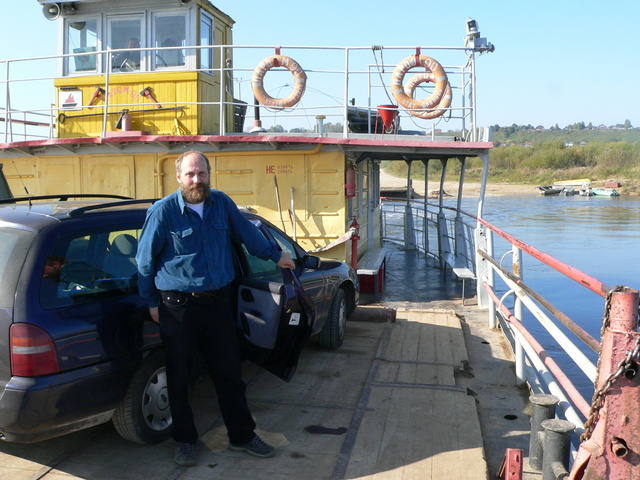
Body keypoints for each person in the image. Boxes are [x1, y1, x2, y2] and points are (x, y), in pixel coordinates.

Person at [136, 150, 295, 466]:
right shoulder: (163, 212)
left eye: (202, 173)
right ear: (179, 177)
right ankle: (185, 441)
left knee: (229, 374)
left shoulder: (221, 203)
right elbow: (144, 261)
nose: (197, 179)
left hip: (218, 303)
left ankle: (242, 436)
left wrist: (275, 255)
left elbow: (249, 235)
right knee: (179, 377)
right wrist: (152, 302)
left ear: (209, 175)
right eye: (191, 174)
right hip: (177, 308)